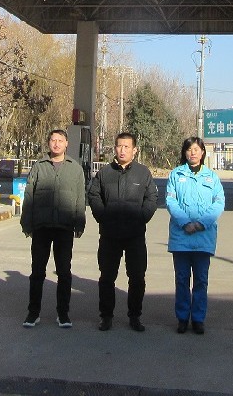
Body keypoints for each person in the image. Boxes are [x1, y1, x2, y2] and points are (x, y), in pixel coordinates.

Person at [88, 131, 158, 332]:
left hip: (135, 235)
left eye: (127, 147)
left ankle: (135, 316)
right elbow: (94, 195)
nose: (122, 150)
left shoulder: (143, 173)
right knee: (107, 277)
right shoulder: (105, 173)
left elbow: (152, 198)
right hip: (109, 234)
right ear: (115, 148)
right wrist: (103, 216)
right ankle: (106, 316)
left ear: (135, 150)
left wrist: (141, 217)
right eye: (119, 146)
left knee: (137, 277)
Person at [20, 129, 87, 328]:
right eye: (53, 140)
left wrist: (79, 222)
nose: (56, 144)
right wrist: (26, 222)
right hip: (41, 227)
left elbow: (80, 198)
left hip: (64, 227)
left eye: (60, 140)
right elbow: (29, 195)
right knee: (37, 272)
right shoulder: (39, 167)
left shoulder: (75, 169)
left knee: (64, 272)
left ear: (67, 144)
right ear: (48, 143)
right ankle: (33, 313)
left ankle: (63, 314)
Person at [166, 136, 225, 335]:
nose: (193, 153)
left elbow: (219, 203)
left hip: (203, 238)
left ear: (202, 153)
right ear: (184, 152)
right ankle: (182, 318)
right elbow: (171, 202)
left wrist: (201, 224)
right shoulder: (176, 175)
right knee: (182, 279)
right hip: (181, 237)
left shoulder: (212, 177)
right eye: (189, 149)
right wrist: (185, 223)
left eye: (196, 149)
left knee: (201, 280)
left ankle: (198, 319)